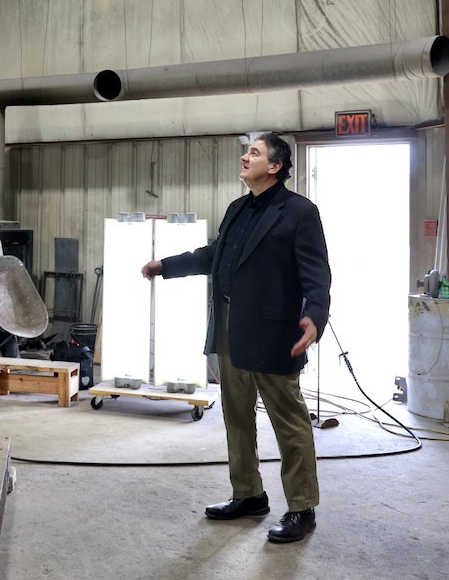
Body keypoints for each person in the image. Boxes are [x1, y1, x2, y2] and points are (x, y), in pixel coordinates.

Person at [141, 132, 331, 543]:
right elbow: (213, 255)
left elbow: (318, 276)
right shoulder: (237, 208)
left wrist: (315, 318)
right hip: (231, 328)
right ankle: (248, 494)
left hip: (277, 334)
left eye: (255, 153)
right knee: (236, 418)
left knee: (290, 424)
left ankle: (302, 508)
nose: (245, 157)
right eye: (248, 151)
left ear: (275, 166)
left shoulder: (299, 212)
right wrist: (165, 266)